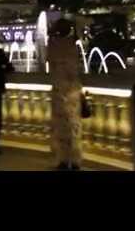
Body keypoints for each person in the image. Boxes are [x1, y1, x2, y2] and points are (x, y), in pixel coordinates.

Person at [48, 18, 83, 171]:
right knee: (74, 127)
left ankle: (63, 160)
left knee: (61, 127)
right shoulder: (73, 45)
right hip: (73, 90)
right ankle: (74, 161)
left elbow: (49, 60)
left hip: (59, 90)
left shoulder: (53, 45)